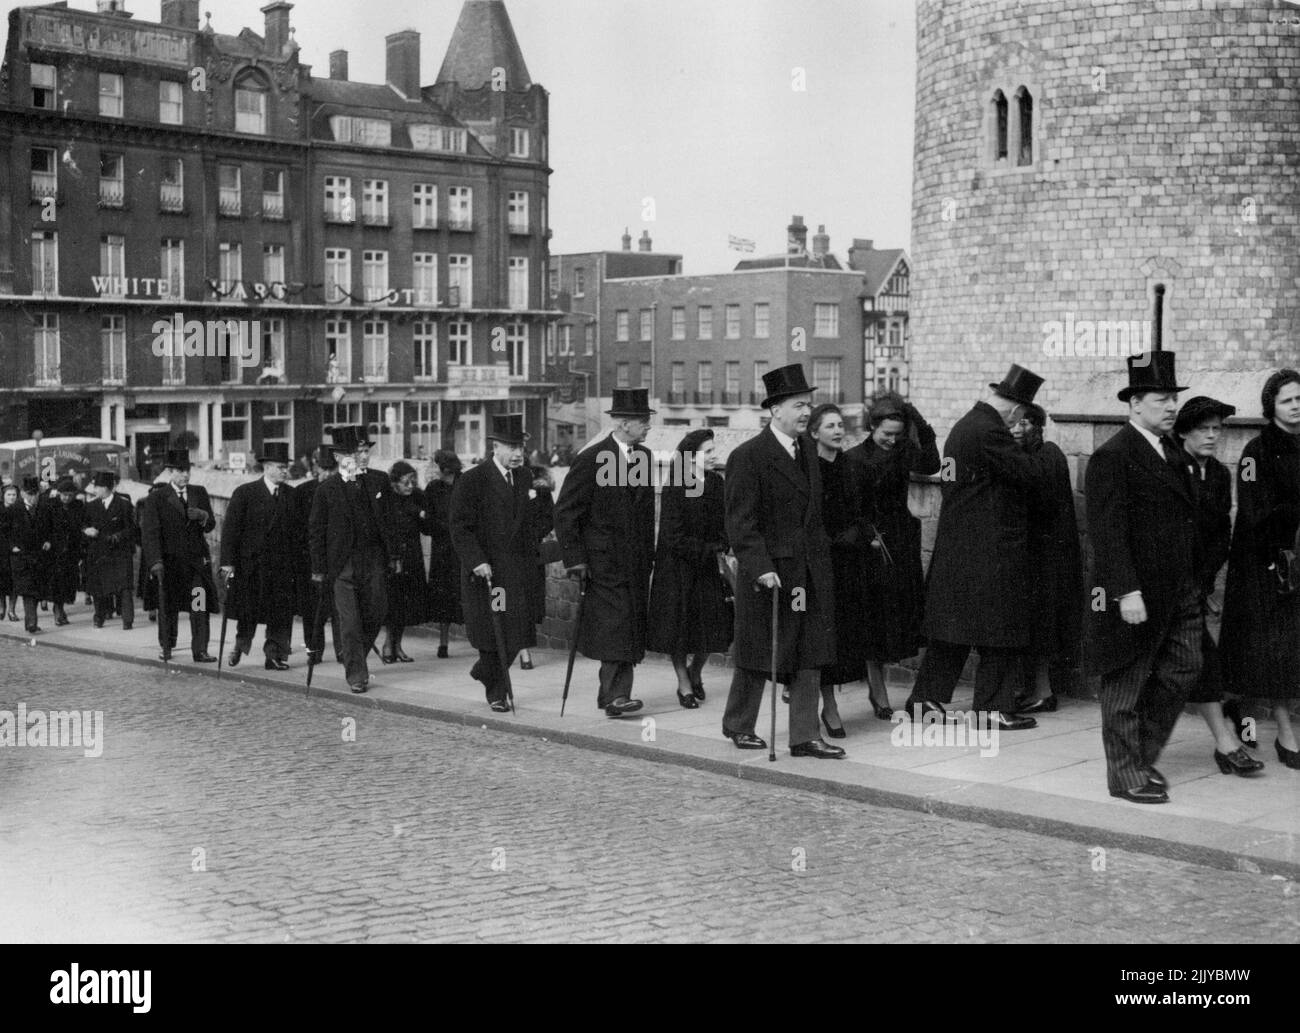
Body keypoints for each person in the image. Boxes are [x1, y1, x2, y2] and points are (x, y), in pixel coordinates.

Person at [905, 364, 1048, 730]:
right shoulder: (991, 432)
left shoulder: (965, 425)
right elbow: (1030, 475)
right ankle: (992, 709)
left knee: (953, 631)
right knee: (1003, 630)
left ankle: (924, 702)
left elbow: (951, 482)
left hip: (960, 545)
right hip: (992, 549)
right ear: (1016, 411)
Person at [1086, 352, 1202, 804]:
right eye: (1161, 399)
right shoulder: (1113, 455)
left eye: (1174, 398)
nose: (1172, 407)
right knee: (1125, 681)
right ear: (1135, 403)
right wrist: (1126, 591)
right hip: (1136, 593)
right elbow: (1107, 532)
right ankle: (1124, 775)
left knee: (1184, 667)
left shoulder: (1171, 449)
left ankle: (1141, 756)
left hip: (1178, 589)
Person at [721, 364, 842, 759]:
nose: (806, 412)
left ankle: (804, 736)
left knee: (809, 651)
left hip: (807, 576)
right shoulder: (749, 456)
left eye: (808, 404)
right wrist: (760, 567)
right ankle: (740, 725)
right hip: (771, 575)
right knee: (760, 651)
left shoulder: (808, 449)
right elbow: (741, 523)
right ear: (775, 409)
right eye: (797, 405)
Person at [1168, 396, 1264, 777]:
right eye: (1203, 429)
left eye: (1216, 429)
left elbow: (1220, 532)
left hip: (1193, 587)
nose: (1212, 436)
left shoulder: (1220, 475)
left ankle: (1226, 743)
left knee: (1203, 663)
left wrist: (1204, 584)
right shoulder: (1171, 468)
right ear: (1184, 432)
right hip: (1166, 587)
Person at [554, 387, 657, 718]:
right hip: (603, 561)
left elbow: (642, 511)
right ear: (624, 423)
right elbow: (566, 512)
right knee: (616, 624)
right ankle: (616, 695)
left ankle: (612, 695)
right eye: (643, 421)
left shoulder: (643, 457)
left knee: (629, 624)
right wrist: (576, 559)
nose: (648, 427)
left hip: (636, 561)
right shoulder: (592, 458)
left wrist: (649, 554)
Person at [1220, 369, 1300, 771]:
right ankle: (1285, 732)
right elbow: (1254, 511)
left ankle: (1243, 714)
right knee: (1275, 651)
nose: (1296, 406)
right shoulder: (1256, 452)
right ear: (1272, 406)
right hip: (1267, 565)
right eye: (1288, 400)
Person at [847, 394, 940, 718]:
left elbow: (932, 463)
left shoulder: (903, 452)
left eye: (897, 433)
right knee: (874, 618)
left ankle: (879, 685)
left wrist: (914, 414)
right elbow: (849, 510)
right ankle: (878, 688)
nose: (892, 439)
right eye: (886, 433)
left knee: (897, 618)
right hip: (871, 546)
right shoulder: (854, 458)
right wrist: (866, 538)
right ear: (873, 427)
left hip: (901, 543)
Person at [448, 414, 538, 712]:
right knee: (496, 628)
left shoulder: (524, 477)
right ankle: (497, 691)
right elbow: (459, 527)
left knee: (517, 630)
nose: (517, 455)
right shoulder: (473, 479)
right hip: (491, 573)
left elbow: (531, 519)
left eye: (521, 449)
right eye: (511, 448)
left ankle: (485, 672)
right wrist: (477, 561)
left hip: (518, 569)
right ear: (495, 447)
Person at [646, 428, 732, 708]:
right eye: (707, 452)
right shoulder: (676, 485)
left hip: (706, 566)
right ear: (690, 457)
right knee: (680, 631)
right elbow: (673, 535)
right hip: (678, 568)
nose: (713, 456)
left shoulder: (717, 483)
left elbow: (726, 521)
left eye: (713, 450)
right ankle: (684, 682)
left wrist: (724, 542)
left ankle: (696, 672)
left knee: (711, 629)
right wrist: (709, 547)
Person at [308, 427, 397, 693]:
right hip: (342, 563)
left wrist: (394, 555)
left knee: (377, 609)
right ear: (337, 457)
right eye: (349, 453)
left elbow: (390, 521)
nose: (356, 457)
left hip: (373, 559)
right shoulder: (326, 490)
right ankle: (357, 673)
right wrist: (318, 568)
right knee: (349, 620)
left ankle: (355, 652)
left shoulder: (378, 481)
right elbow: (316, 530)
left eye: (359, 452)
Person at [1010, 403, 1084, 714]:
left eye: (1024, 424)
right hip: (1036, 557)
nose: (1017, 430)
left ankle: (1043, 692)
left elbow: (1036, 498)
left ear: (1039, 427)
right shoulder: (1034, 456)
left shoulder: (1049, 454)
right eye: (1013, 424)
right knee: (1032, 626)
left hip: (1048, 559)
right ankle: (1033, 690)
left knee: (1041, 627)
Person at [808, 403, 871, 738]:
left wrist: (858, 535)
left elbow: (861, 511)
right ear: (815, 431)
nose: (837, 430)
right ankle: (828, 706)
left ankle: (828, 700)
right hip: (820, 564)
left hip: (847, 564)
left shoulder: (849, 466)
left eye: (839, 425)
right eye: (829, 425)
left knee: (843, 638)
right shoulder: (807, 468)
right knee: (821, 637)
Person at [220, 442, 297, 670]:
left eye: (286, 467)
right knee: (248, 612)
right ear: (267, 467)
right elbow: (231, 530)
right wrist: (227, 564)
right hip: (252, 567)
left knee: (281, 614)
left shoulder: (292, 496)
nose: (285, 471)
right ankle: (239, 646)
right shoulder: (245, 493)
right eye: (281, 467)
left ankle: (274, 656)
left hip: (282, 568)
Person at [138, 450, 219, 662]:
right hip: (169, 564)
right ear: (171, 472)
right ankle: (167, 646)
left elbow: (210, 526)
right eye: (181, 471)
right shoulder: (157, 498)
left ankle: (200, 650)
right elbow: (150, 533)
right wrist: (155, 561)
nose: (185, 475)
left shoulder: (198, 492)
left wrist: (203, 517)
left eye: (187, 471)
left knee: (199, 606)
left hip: (196, 565)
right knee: (168, 608)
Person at [293, 445, 341, 667]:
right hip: (309, 560)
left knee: (340, 608)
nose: (328, 474)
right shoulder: (302, 492)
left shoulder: (343, 490)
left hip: (337, 560)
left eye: (332, 469)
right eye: (323, 469)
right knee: (313, 611)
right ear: (315, 468)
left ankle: (343, 650)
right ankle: (314, 649)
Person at [380, 460, 429, 664]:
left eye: (412, 481)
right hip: (392, 557)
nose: (410, 486)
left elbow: (426, 526)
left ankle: (397, 645)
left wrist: (424, 515)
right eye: (405, 482)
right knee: (392, 602)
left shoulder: (417, 496)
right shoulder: (386, 499)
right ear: (394, 483)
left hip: (412, 556)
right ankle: (388, 644)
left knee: (404, 604)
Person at [82, 471, 136, 630]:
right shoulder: (91, 506)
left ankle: (128, 620)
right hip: (98, 553)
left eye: (97, 487)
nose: (95, 490)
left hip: (120, 552)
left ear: (106, 488)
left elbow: (132, 529)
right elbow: (83, 525)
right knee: (98, 587)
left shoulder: (124, 504)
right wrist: (86, 530)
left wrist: (118, 536)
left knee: (125, 587)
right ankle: (99, 617)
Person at [424, 450, 464, 658]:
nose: (431, 468)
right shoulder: (433, 488)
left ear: (445, 467)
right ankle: (443, 642)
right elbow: (427, 522)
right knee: (443, 597)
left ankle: (483, 639)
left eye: (434, 464)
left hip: (462, 549)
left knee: (468, 593)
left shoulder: (465, 484)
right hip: (442, 550)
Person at [518, 461, 556, 670]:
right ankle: (523, 651)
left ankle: (523, 650)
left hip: (526, 553)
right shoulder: (541, 490)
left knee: (524, 603)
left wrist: (531, 535)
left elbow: (550, 518)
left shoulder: (538, 489)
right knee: (518, 602)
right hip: (522, 553)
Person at [8, 476, 52, 634]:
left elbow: (50, 529)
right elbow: (4, 533)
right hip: (21, 557)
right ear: (23, 494)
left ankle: (31, 621)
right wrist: (12, 546)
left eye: (36, 494)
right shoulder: (13, 510)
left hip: (39, 556)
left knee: (36, 590)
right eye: (30, 494)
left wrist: (48, 540)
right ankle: (31, 622)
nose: (34, 497)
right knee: (28, 591)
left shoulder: (44, 508)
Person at [45, 477, 83, 626]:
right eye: (64, 495)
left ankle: (61, 609)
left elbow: (81, 524)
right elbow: (45, 526)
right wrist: (48, 541)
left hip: (72, 551)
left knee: (68, 582)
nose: (66, 498)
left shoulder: (78, 506)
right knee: (57, 582)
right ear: (59, 493)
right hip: (55, 551)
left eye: (69, 495)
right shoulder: (51, 506)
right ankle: (58, 610)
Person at [0, 484, 18, 621]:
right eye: (9, 495)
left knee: (14, 581)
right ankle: (2, 607)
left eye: (14, 495)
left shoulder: (20, 510)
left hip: (15, 550)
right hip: (1, 549)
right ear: (3, 496)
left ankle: (12, 610)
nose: (11, 497)